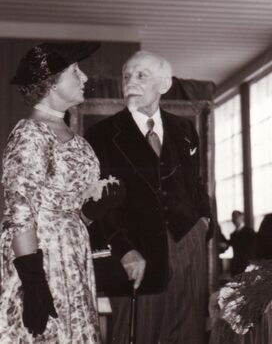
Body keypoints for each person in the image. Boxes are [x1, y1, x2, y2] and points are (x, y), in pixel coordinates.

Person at [85, 50, 212, 344]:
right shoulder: (101, 134)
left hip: (187, 240)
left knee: (187, 335)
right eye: (126, 76)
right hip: (137, 251)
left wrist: (204, 222)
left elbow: (195, 183)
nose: (131, 82)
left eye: (141, 75)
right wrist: (123, 250)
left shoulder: (184, 129)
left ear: (164, 84)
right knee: (136, 333)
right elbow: (96, 203)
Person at [0, 41, 103, 343]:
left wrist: (96, 208)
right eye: (75, 71)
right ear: (52, 83)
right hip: (41, 256)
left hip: (72, 252)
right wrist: (33, 283)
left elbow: (73, 208)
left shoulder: (76, 138)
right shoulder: (30, 134)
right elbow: (19, 212)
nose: (84, 77)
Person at [229, 210, 257, 276]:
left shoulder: (249, 232)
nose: (233, 219)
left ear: (242, 217)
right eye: (232, 217)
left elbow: (254, 248)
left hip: (247, 265)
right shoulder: (233, 235)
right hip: (236, 266)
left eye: (235, 217)